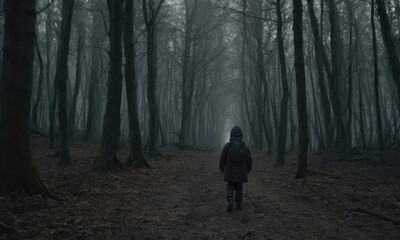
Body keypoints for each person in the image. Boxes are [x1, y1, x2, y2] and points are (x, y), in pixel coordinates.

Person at [219, 126, 252, 212]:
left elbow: (222, 158)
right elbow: (249, 159)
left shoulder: (227, 146)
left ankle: (230, 199)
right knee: (239, 189)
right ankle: (238, 206)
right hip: (241, 173)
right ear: (241, 135)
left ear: (231, 135)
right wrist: (248, 169)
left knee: (230, 186)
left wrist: (221, 168)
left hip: (230, 172)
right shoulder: (245, 147)